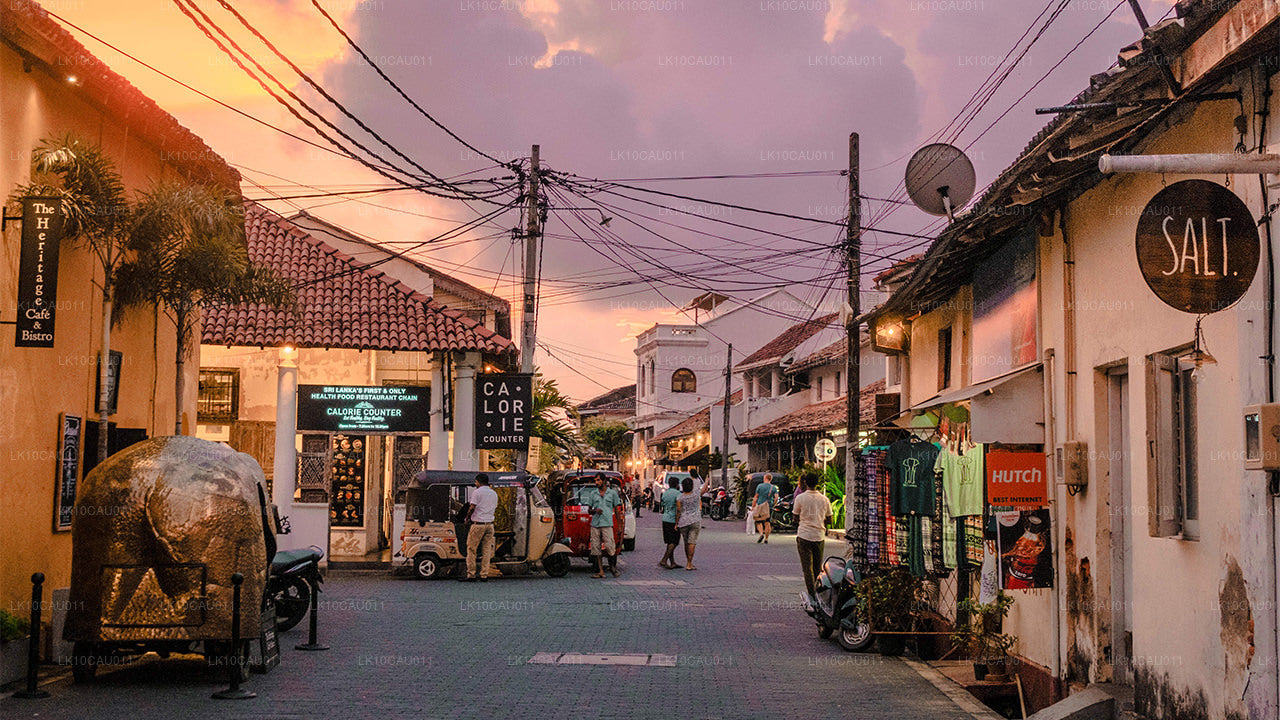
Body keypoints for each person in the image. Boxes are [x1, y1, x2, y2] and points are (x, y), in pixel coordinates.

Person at [792, 471, 833, 602]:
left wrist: (805, 519)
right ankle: (819, 592)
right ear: (817, 483)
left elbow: (795, 517)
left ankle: (812, 594)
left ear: (805, 482)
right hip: (819, 536)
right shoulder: (824, 499)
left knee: (807, 568)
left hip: (804, 535)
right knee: (817, 567)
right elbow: (830, 520)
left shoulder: (800, 498)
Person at [582, 473, 624, 577]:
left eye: (598, 480)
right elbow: (589, 510)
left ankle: (612, 568)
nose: (596, 482)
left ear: (603, 481)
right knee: (596, 548)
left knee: (610, 546)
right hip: (595, 524)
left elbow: (617, 510)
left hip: (607, 523)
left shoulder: (612, 493)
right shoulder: (593, 494)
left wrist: (619, 526)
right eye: (595, 481)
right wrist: (595, 510)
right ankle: (600, 571)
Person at [461, 473, 498, 582]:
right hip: (490, 524)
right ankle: (484, 574)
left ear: (479, 482)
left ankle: (471, 574)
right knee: (486, 550)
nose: (475, 483)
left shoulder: (477, 492)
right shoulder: (494, 493)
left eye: (476, 481)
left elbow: (472, 507)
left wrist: (467, 518)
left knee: (472, 549)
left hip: (478, 524)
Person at [675, 477, 702, 570]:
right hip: (695, 520)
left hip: (683, 521)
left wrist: (676, 523)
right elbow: (704, 489)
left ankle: (688, 561)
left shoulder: (680, 497)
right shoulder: (696, 494)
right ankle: (689, 563)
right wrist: (707, 481)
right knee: (692, 542)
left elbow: (679, 511)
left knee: (686, 542)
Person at [657, 476, 682, 569]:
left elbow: (662, 505)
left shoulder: (665, 493)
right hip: (673, 519)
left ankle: (672, 562)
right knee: (674, 541)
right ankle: (664, 560)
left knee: (669, 541)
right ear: (676, 484)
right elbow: (679, 509)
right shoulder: (678, 494)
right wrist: (677, 521)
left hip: (665, 518)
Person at [751, 473, 779, 544]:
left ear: (765, 478)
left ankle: (761, 533)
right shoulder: (773, 487)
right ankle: (766, 538)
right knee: (767, 522)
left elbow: (756, 496)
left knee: (758, 521)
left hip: (760, 505)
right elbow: (776, 497)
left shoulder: (760, 486)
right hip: (769, 506)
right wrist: (774, 504)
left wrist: (753, 505)